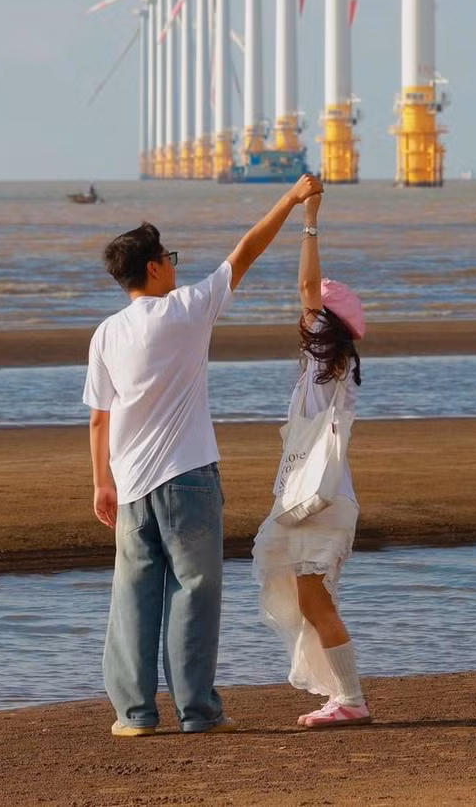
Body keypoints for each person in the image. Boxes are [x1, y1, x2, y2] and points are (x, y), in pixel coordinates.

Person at [84, 172, 323, 737]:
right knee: (194, 591)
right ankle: (197, 710)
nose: (174, 265)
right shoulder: (188, 308)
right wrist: (291, 199)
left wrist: (101, 483)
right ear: (153, 269)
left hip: (130, 484)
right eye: (168, 257)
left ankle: (134, 714)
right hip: (188, 475)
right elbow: (246, 252)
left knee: (133, 597)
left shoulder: (106, 333)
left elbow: (99, 417)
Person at [251, 183, 371, 728]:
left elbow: (304, 286)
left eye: (313, 312)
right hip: (317, 501)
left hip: (323, 503)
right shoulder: (320, 372)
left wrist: (310, 216)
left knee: (316, 602)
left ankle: (351, 700)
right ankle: (342, 695)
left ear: (327, 325)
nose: (302, 315)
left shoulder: (327, 367)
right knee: (311, 601)